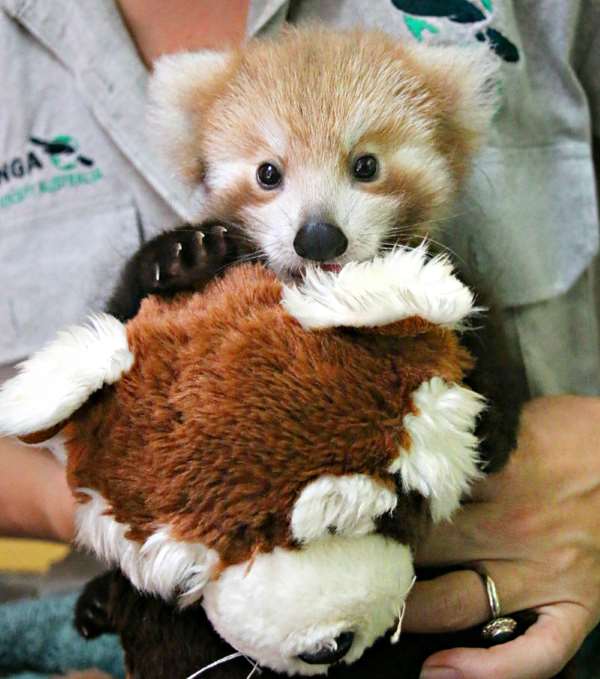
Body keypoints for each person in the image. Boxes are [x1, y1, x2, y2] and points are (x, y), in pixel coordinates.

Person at [0, 1, 598, 677]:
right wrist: (142, 516)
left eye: (365, 169)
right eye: (270, 176)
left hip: (510, 604)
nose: (317, 226)